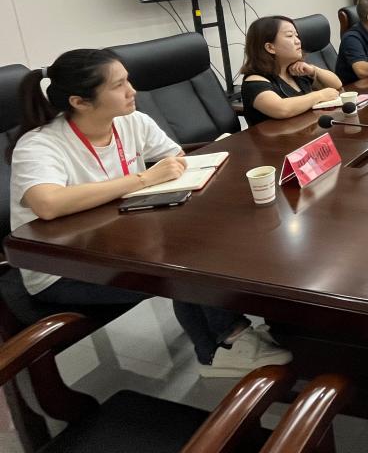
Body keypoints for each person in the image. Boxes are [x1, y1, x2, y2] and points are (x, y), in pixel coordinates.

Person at [8, 49, 293, 377]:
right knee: (185, 262)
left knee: (205, 241)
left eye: (127, 80)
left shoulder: (131, 122)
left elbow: (176, 159)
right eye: (119, 85)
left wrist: (174, 171)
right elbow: (48, 203)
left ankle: (229, 335)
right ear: (80, 102)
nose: (132, 90)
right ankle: (221, 348)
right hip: (62, 265)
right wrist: (143, 179)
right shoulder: (40, 144)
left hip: (120, 239)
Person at [241, 16, 343, 125]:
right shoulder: (254, 81)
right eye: (290, 36)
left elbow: (337, 85)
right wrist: (320, 95)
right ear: (270, 47)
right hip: (276, 135)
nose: (298, 41)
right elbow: (281, 109)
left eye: (297, 36)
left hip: (304, 130)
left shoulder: (295, 71)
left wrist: (314, 70)